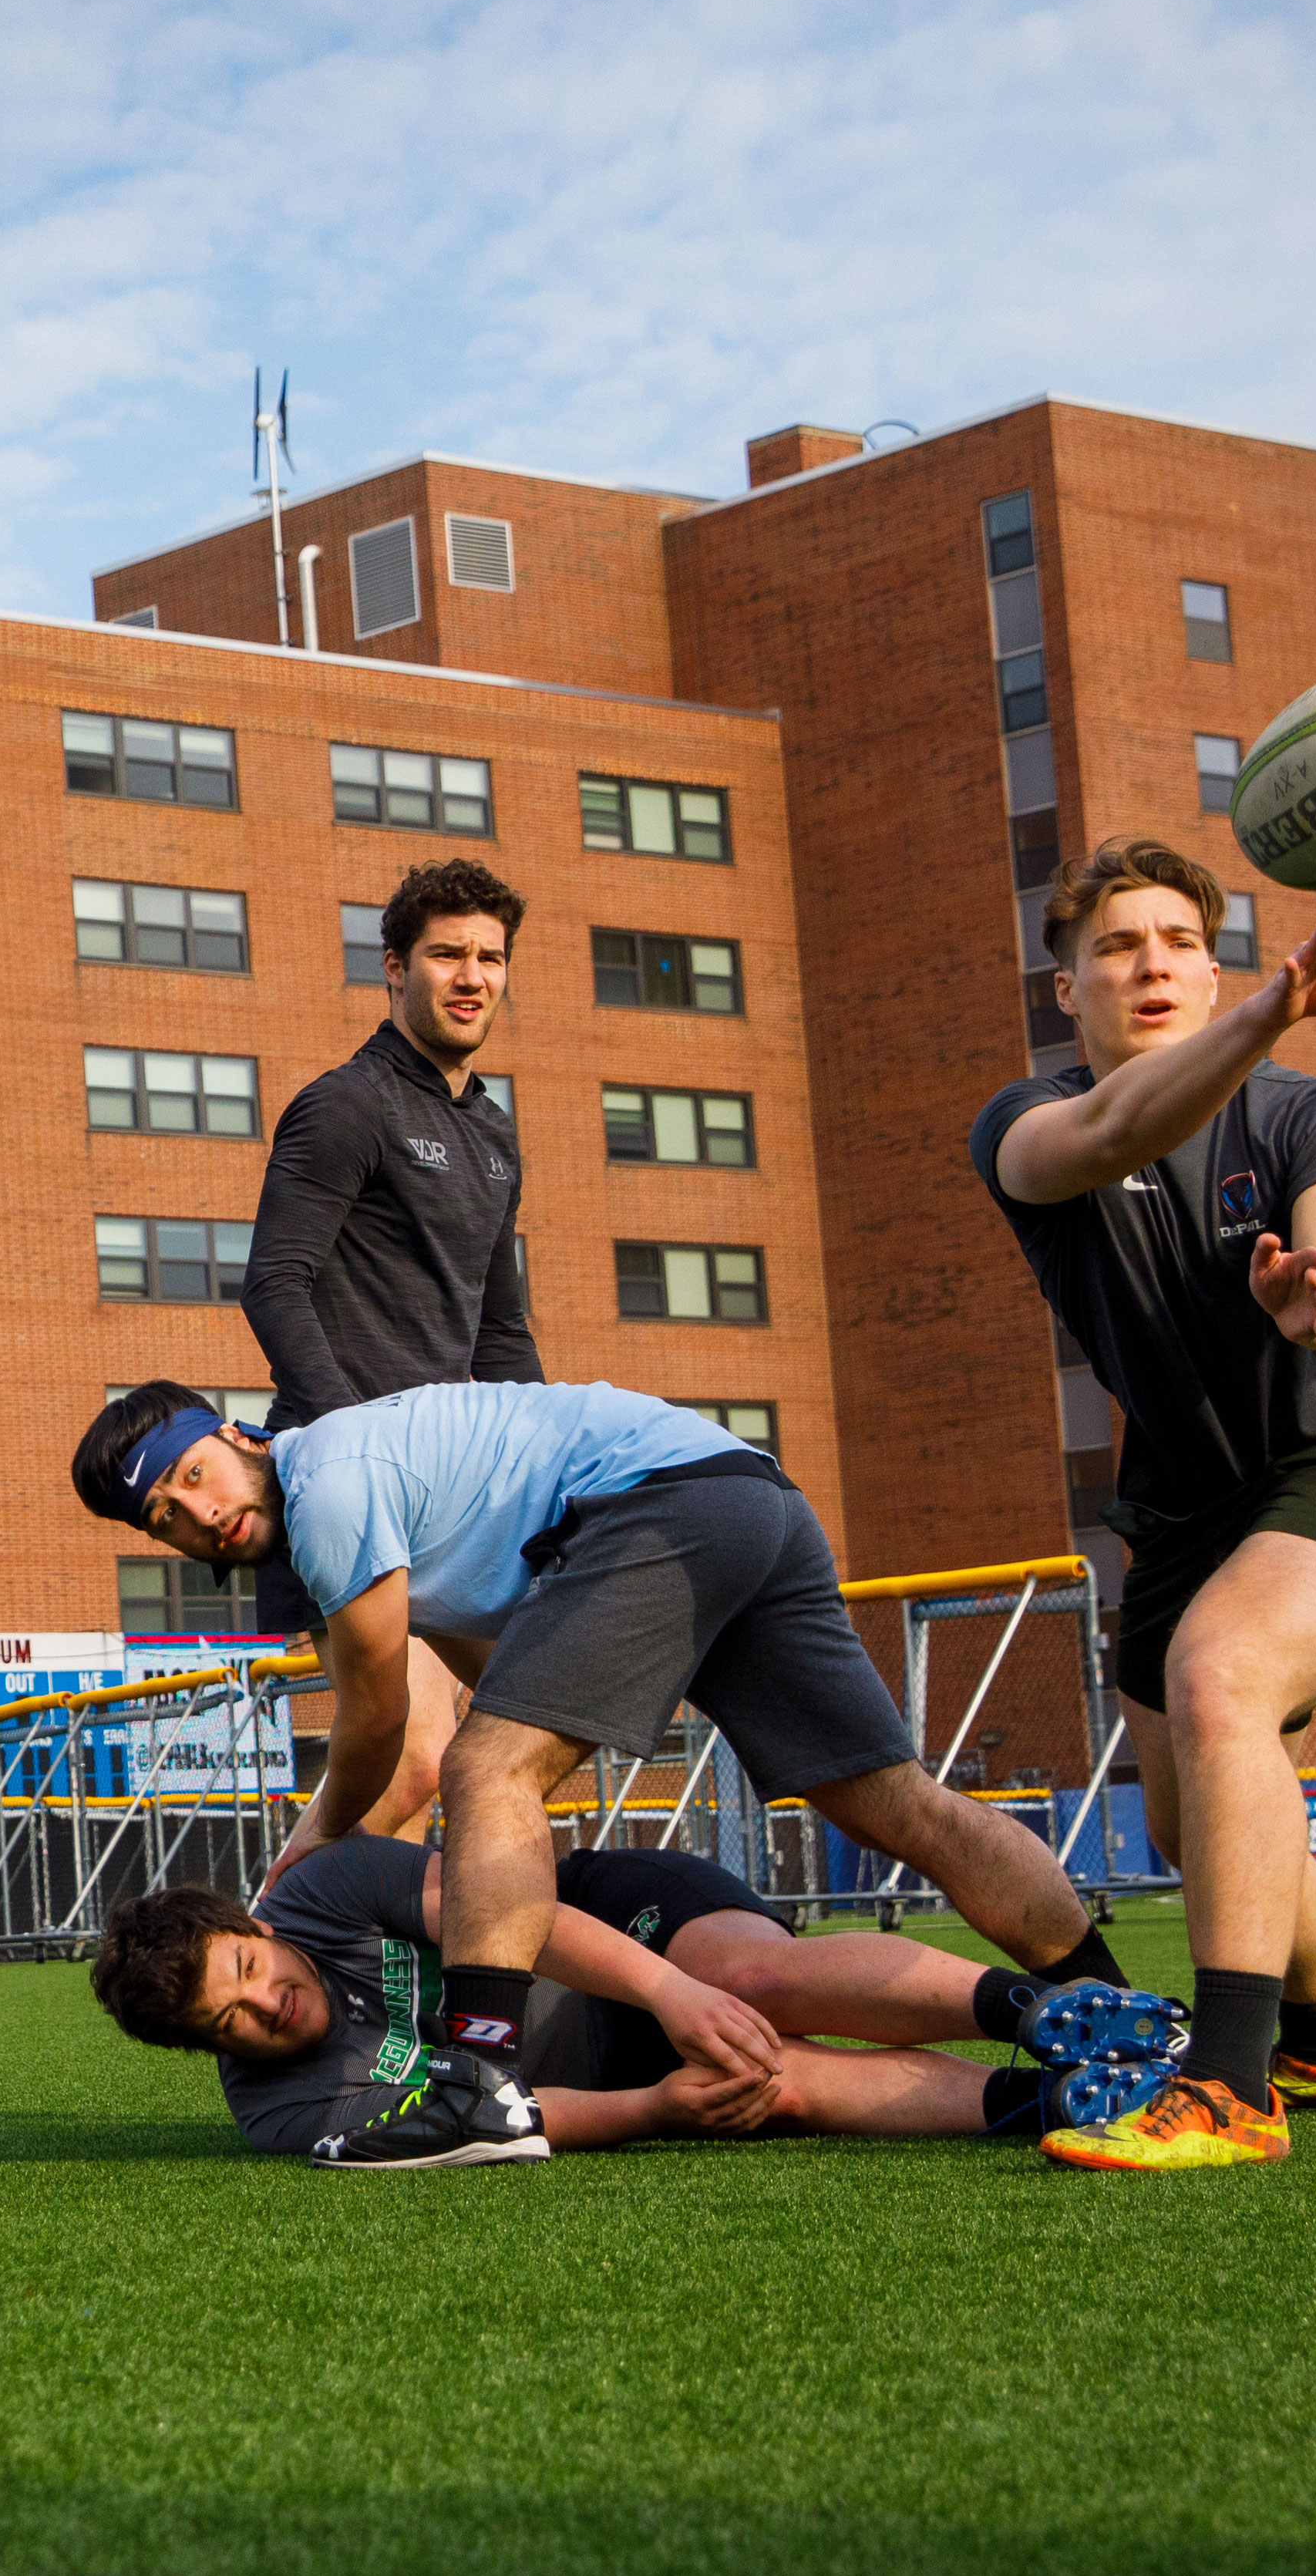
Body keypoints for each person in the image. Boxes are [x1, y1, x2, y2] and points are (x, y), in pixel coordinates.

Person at [68, 1372, 1137, 2162]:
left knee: (487, 1769)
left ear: (239, 1432)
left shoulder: (329, 1488)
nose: (202, 1514)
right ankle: (1117, 2018)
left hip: (655, 1505)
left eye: (196, 1475)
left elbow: (383, 1719)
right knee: (894, 1807)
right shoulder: (362, 1508)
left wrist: (308, 1847)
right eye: (169, 1517)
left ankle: (480, 2078)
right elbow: (506, 1667)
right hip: (740, 1494)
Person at [973, 837, 1316, 2172]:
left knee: (1222, 1671)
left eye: (1178, 942)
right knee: (1195, 1818)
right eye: (1115, 947)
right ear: (1062, 990)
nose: (1150, 965)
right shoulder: (1023, 1125)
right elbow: (1121, 1125)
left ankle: (1229, 2088)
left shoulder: (1308, 1114)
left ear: (1210, 963)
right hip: (1182, 1510)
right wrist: (1267, 1010)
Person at [89, 1838, 1183, 2164]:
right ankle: (1060, 2103)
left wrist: (669, 1990)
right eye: (223, 2020)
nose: (262, 2007)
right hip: (597, 2070)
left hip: (608, 1922)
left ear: (259, 1927)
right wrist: (662, 2105)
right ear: (207, 2049)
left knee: (742, 1986)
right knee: (767, 2079)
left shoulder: (323, 1891)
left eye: (247, 1972)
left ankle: (1046, 2011)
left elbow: (511, 1909)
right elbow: (502, 2123)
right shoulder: (277, 2114)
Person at [237, 858, 537, 1830]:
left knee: (513, 1741)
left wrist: (537, 1473)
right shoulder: (345, 1105)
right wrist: (351, 1444)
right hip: (355, 1481)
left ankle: (404, 1975)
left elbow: (498, 1335)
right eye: (445, 953)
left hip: (455, 1490)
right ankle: (284, 1942)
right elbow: (272, 1285)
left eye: (489, 957)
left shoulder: (494, 1135)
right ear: (394, 969)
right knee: (409, 1761)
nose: (470, 975)